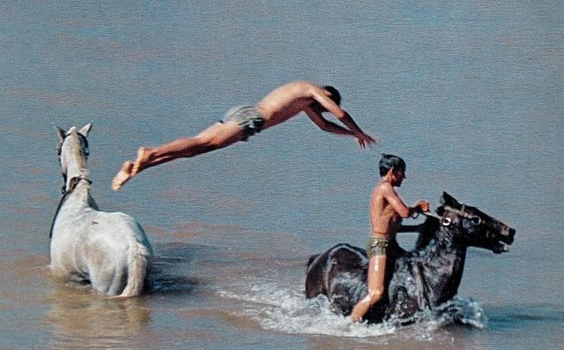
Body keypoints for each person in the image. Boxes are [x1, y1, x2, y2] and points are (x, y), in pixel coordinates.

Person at [111, 80, 376, 190]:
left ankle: (139, 166)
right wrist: (359, 131)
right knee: (202, 143)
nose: (321, 109)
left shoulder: (303, 99)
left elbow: (325, 125)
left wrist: (350, 137)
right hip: (252, 119)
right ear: (327, 94)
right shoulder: (311, 90)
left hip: (244, 112)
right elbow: (338, 113)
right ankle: (151, 152)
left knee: (195, 149)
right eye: (322, 105)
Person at [349, 154, 430, 323]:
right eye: (402, 173)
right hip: (379, 245)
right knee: (376, 293)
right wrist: (418, 207)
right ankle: (349, 325)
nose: (404, 177)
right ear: (392, 171)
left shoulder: (387, 190)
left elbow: (393, 227)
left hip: (392, 244)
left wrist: (417, 228)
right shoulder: (384, 188)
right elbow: (405, 212)